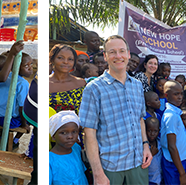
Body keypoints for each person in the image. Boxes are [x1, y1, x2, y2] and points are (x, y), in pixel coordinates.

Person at [79, 35, 151, 185]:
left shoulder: (137, 85)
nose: (118, 56)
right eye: (112, 52)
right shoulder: (94, 89)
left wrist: (145, 145)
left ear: (128, 54)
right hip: (110, 168)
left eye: (122, 51)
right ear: (105, 56)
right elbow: (89, 133)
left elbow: (140, 119)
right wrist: (98, 173)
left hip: (138, 162)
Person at [159, 81, 186, 185]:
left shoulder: (175, 113)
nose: (180, 97)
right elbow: (171, 146)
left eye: (181, 93)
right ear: (167, 95)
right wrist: (182, 174)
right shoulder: (171, 116)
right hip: (173, 164)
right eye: (176, 94)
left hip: (178, 161)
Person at [49, 111, 88, 185]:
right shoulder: (49, 159)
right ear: (53, 136)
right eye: (63, 133)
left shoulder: (76, 148)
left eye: (74, 132)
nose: (70, 136)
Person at [0, 53, 31, 129]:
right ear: (16, 67)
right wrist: (24, 125)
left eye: (31, 64)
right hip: (8, 120)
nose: (30, 68)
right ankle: (16, 140)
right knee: (32, 118)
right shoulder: (22, 83)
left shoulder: (4, 77)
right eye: (26, 65)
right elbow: (22, 107)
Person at [49, 44, 87, 113]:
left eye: (70, 59)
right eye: (60, 58)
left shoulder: (81, 84)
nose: (66, 62)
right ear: (52, 59)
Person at [145, 117, 162, 185]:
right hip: (149, 180)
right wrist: (151, 154)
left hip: (160, 178)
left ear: (159, 130)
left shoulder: (160, 142)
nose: (152, 134)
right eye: (149, 131)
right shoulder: (143, 147)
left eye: (155, 131)